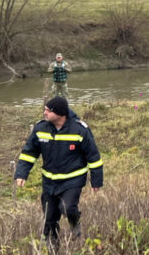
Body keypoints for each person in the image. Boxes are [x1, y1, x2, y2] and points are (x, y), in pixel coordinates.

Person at [15, 96, 103, 246]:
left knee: (67, 207)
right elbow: (29, 153)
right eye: (45, 110)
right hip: (49, 182)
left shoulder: (80, 130)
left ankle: (75, 222)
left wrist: (96, 181)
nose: (45, 113)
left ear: (60, 114)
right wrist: (22, 173)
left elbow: (94, 157)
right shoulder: (40, 128)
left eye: (48, 111)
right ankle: (52, 247)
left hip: (73, 180)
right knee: (49, 219)